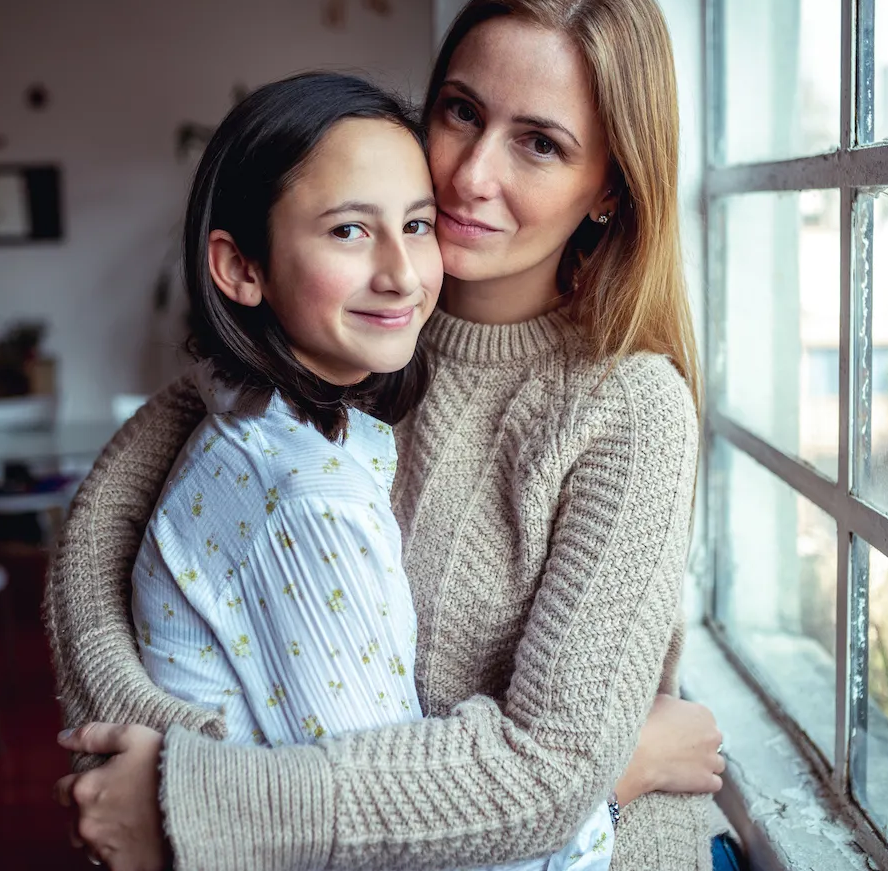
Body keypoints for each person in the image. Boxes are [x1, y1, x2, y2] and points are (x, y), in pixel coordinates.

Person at [49, 0, 726, 871]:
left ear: (608, 187)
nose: (471, 175)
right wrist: (172, 776)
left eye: (541, 144)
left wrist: (204, 802)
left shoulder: (629, 407)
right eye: (460, 112)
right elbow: (97, 533)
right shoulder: (351, 321)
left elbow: (550, 774)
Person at [127, 69, 617, 870]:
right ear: (240, 267)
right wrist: (614, 783)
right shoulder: (309, 500)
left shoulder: (258, 420)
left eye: (418, 225)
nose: (401, 271)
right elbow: (403, 841)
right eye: (350, 231)